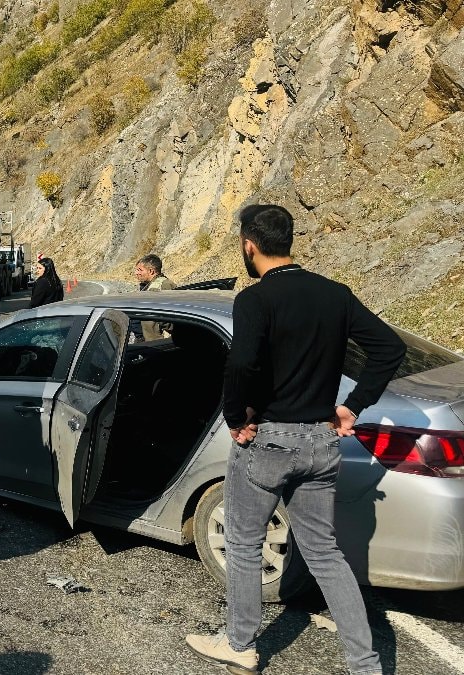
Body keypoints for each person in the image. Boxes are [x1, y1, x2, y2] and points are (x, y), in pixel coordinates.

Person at [185, 205, 405, 675]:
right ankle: (365, 665)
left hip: (269, 440)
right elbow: (390, 349)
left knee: (244, 544)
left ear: (249, 245)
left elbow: (241, 363)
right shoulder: (335, 295)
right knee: (325, 553)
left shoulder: (255, 299)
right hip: (322, 442)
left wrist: (234, 416)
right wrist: (353, 406)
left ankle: (240, 645)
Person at [134, 254, 177, 341]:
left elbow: (168, 317)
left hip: (159, 342)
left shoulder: (159, 287)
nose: (136, 273)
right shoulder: (150, 285)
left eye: (140, 270)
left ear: (151, 271)